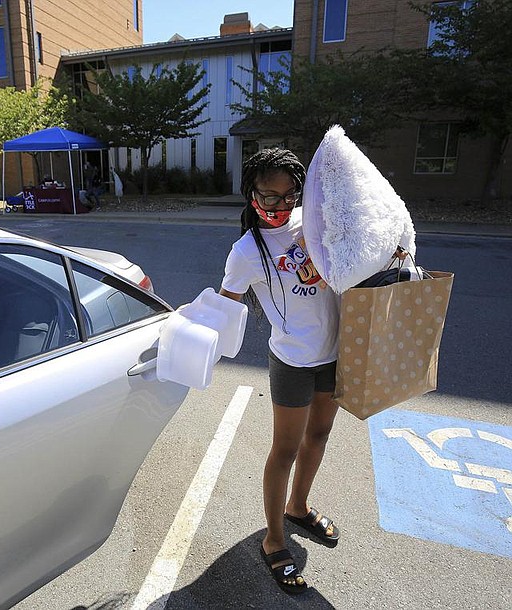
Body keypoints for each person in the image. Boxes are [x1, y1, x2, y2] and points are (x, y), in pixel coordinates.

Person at [219, 148, 341, 595]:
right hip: (292, 359)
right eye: (269, 198)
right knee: (284, 450)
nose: (279, 207)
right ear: (251, 194)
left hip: (334, 352)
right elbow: (223, 309)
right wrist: (184, 341)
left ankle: (298, 507)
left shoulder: (314, 221)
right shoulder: (248, 250)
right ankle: (274, 537)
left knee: (320, 436)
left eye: (289, 196)